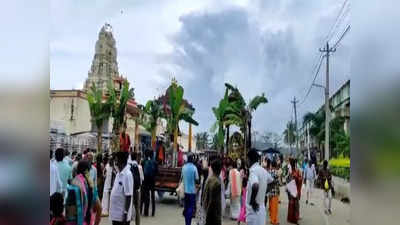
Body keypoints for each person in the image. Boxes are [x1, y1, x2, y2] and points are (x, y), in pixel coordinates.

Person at [65, 160, 102, 225]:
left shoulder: (74, 184)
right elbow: (99, 208)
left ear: (77, 170)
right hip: (89, 221)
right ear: (88, 171)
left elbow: (70, 211)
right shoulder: (91, 186)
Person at [246, 150, 273, 225]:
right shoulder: (263, 170)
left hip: (254, 210)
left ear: (249, 159)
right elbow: (272, 181)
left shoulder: (253, 171)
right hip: (261, 209)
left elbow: (255, 186)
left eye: (246, 159)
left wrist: (252, 201)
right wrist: (265, 191)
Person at [109, 152, 134, 225]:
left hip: (122, 216)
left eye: (116, 161)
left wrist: (125, 213)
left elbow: (128, 195)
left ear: (122, 162)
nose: (115, 163)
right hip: (116, 215)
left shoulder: (127, 174)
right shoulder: (118, 173)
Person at [202, 158, 222, 225]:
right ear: (219, 169)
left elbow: (204, 197)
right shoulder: (217, 183)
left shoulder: (209, 180)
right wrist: (208, 215)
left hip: (208, 211)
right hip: (213, 214)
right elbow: (212, 201)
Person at [181, 153, 199, 225]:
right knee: (190, 208)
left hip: (185, 191)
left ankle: (187, 223)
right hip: (192, 191)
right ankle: (188, 223)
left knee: (186, 207)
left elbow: (182, 177)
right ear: (193, 159)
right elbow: (197, 179)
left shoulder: (184, 167)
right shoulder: (194, 168)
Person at [141, 149, 158, 217]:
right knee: (153, 197)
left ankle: (146, 212)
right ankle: (153, 212)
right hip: (152, 181)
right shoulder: (155, 162)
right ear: (152, 154)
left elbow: (141, 171)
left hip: (145, 181)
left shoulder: (143, 161)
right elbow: (157, 172)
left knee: (146, 196)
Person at [129, 151, 142, 225]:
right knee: (137, 208)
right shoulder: (139, 166)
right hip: (137, 189)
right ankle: (138, 223)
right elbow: (141, 179)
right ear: (136, 157)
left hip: (131, 189)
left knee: (129, 206)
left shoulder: (129, 166)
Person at [287, 159, 302, 224]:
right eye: (292, 164)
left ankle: (295, 218)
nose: (293, 165)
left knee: (295, 205)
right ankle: (294, 219)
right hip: (293, 190)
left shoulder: (297, 171)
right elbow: (288, 181)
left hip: (295, 190)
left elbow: (300, 179)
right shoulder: (292, 172)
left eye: (293, 164)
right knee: (293, 204)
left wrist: (299, 178)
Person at [268, 161, 280, 225]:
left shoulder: (269, 172)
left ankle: (271, 219)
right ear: (276, 166)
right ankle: (274, 220)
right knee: (275, 207)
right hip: (275, 191)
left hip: (270, 192)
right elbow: (278, 183)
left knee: (271, 206)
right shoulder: (276, 172)